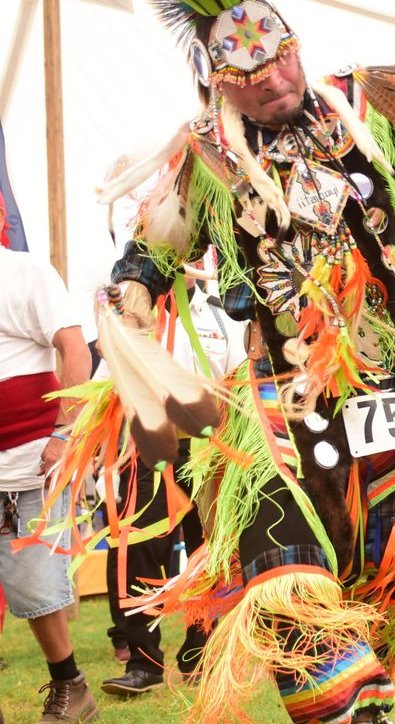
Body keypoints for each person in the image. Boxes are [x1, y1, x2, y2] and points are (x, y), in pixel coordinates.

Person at [35, 0, 395, 722]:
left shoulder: (371, 98)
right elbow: (146, 262)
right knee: (288, 581)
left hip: (394, 388)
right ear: (215, 80)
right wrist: (128, 330)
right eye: (245, 71)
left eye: (280, 55)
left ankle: (359, 698)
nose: (271, 79)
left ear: (294, 42)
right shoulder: (205, 161)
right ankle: (348, 707)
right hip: (283, 407)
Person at [101, 266, 245, 696]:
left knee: (208, 549)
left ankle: (200, 652)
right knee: (142, 546)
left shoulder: (221, 312)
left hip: (207, 448)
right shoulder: (126, 309)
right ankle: (143, 664)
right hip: (146, 443)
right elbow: (105, 378)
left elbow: (239, 380)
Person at [0, 246, 97, 722]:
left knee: (36, 589)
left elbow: (77, 351)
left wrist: (64, 431)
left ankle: (70, 687)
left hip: (27, 464)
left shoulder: (25, 270)